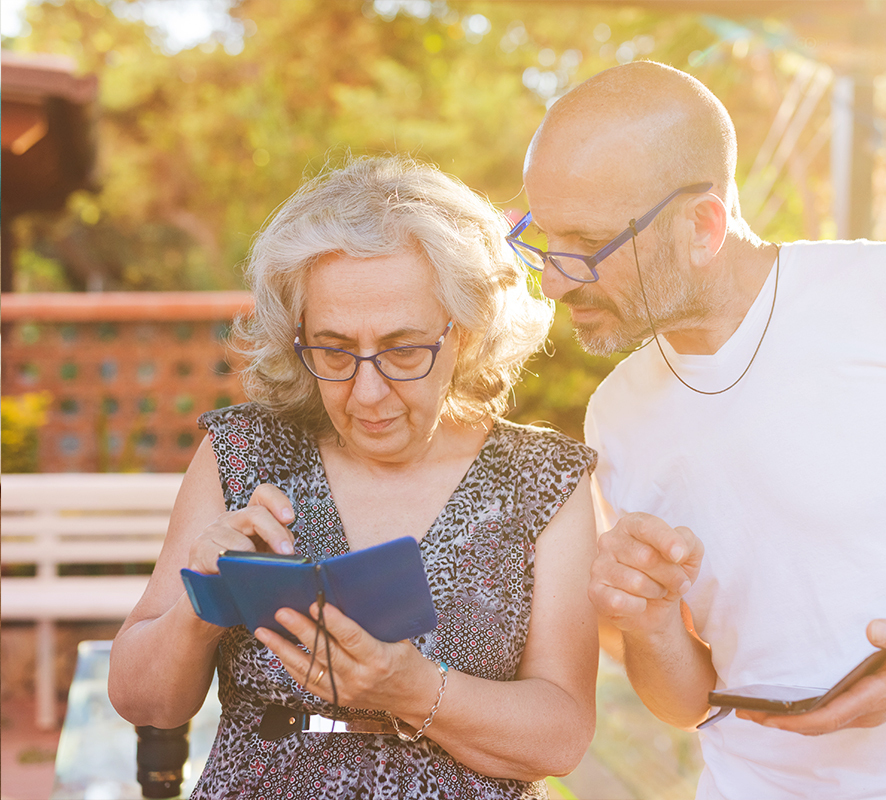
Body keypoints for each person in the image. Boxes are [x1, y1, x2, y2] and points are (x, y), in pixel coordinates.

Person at [511, 61, 886, 799]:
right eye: (542, 238)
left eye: (586, 244)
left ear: (702, 225)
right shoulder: (617, 413)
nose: (552, 280)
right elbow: (686, 702)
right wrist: (646, 623)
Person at [109, 155, 599, 800]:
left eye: (402, 349)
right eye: (334, 349)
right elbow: (144, 703)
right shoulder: (244, 450)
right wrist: (200, 603)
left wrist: (411, 689)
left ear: (468, 331)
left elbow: (561, 737)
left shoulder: (543, 480)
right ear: (297, 337)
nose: (367, 393)